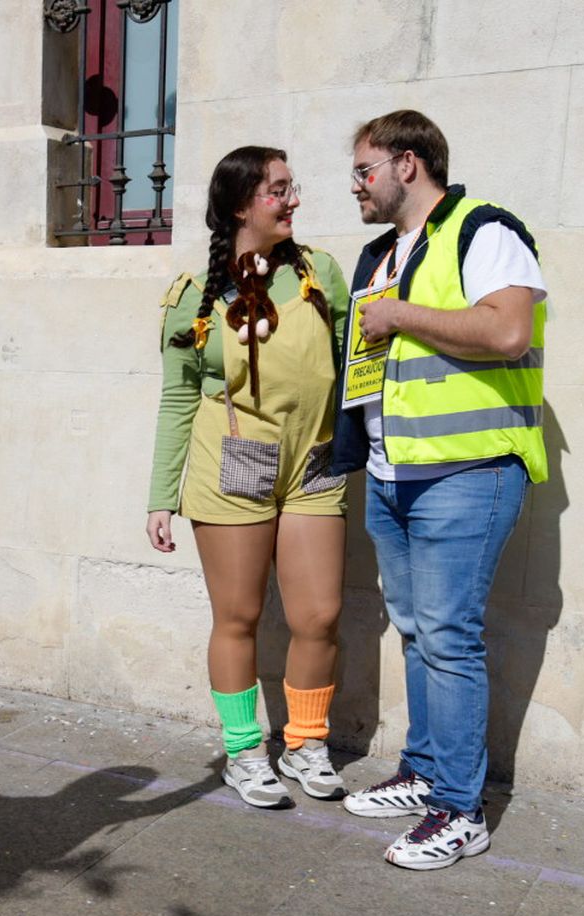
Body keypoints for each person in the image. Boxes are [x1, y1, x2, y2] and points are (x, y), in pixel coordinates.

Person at [333, 110, 548, 870]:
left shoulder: (483, 229)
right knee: (420, 630)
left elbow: (507, 331)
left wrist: (400, 316)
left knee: (450, 635)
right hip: (395, 471)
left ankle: (461, 809)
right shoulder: (379, 254)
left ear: (408, 163)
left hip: (469, 469)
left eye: (363, 169)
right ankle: (425, 771)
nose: (354, 184)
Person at [147, 146, 351, 810]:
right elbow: (179, 398)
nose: (293, 201)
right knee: (239, 614)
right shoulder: (196, 297)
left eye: (293, 189)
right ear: (241, 205)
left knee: (319, 614)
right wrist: (160, 497)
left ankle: (306, 743)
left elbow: (356, 364)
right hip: (234, 456)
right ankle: (243, 752)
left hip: (315, 455)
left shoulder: (322, 274)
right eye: (278, 191)